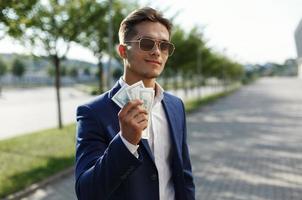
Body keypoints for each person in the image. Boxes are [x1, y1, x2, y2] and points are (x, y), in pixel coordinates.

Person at [75, 7, 195, 200]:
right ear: (123, 51)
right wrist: (125, 142)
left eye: (164, 46)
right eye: (147, 43)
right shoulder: (93, 112)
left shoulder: (175, 106)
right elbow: (87, 192)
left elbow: (184, 175)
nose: (157, 52)